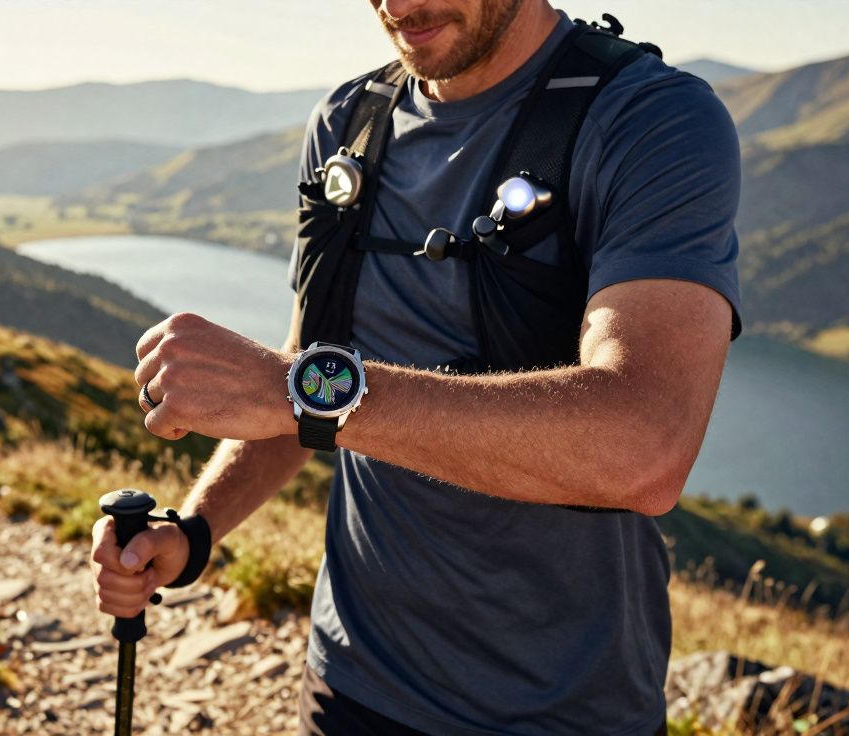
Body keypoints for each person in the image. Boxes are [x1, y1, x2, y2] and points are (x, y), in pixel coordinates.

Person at [89, 0, 741, 733]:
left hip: (560, 707)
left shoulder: (648, 119)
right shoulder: (348, 126)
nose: (399, 6)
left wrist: (298, 390)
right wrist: (194, 533)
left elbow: (645, 448)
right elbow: (308, 380)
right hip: (352, 683)